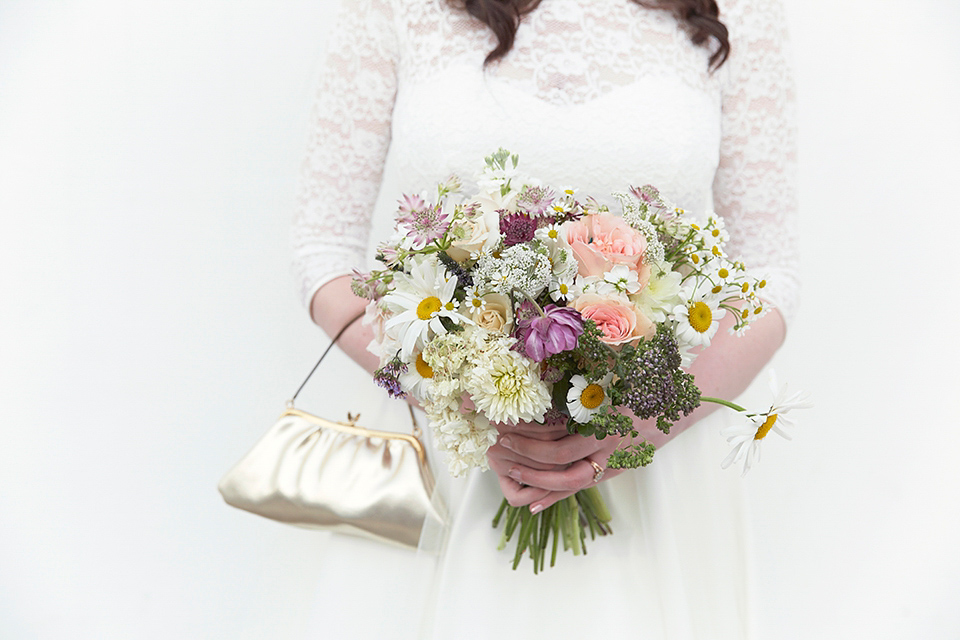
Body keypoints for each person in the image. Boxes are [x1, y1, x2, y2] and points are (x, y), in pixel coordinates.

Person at [292, 0, 798, 637]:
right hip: (447, 457)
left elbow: (771, 277)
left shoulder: (742, 9)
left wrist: (643, 422)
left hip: (659, 456)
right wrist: (459, 395)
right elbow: (322, 254)